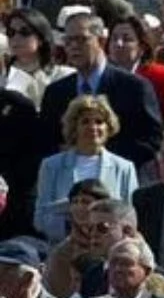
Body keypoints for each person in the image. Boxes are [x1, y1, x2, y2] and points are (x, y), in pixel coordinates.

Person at [32, 95, 139, 241]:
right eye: (85, 121)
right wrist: (73, 231)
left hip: (108, 249)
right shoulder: (51, 165)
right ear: (74, 128)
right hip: (64, 248)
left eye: (99, 122)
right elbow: (40, 217)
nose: (93, 127)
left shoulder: (124, 168)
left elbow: (131, 216)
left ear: (108, 127)